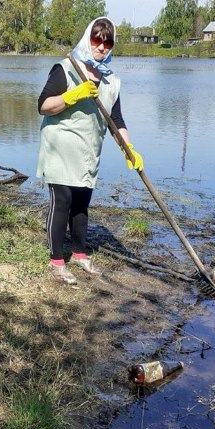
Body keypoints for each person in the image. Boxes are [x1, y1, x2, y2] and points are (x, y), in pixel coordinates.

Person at [36, 17, 143, 285]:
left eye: (108, 42)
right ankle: (57, 261)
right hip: (59, 147)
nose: (102, 46)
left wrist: (128, 148)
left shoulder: (111, 81)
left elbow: (116, 119)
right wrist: (72, 96)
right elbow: (43, 105)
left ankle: (81, 254)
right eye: (97, 39)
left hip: (88, 152)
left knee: (82, 204)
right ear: (88, 39)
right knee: (62, 201)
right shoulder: (66, 69)